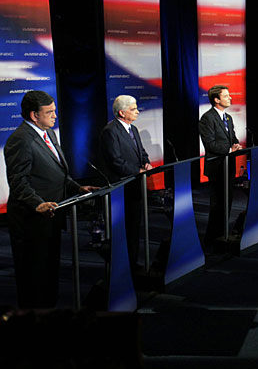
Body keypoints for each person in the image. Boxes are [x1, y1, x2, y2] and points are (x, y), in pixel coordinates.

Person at [4, 90, 96, 308]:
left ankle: (49, 312)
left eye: (54, 111)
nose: (55, 116)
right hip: (31, 220)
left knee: (49, 271)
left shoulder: (49, 134)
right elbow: (18, 181)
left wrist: (77, 188)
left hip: (53, 214)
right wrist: (37, 203)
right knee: (33, 276)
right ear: (34, 115)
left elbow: (58, 173)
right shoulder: (20, 140)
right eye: (49, 112)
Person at [100, 95, 153, 270]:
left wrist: (146, 163)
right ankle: (122, 266)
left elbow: (141, 152)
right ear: (122, 113)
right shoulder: (110, 131)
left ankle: (132, 263)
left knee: (134, 227)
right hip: (121, 187)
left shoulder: (134, 129)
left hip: (135, 186)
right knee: (123, 228)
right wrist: (137, 171)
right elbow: (115, 161)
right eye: (133, 109)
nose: (137, 111)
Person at [198, 85, 242, 244]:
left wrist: (236, 145)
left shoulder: (228, 117)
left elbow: (233, 137)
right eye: (226, 96)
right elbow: (210, 144)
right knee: (217, 203)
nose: (230, 98)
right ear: (216, 100)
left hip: (228, 166)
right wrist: (229, 150)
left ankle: (223, 233)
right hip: (216, 167)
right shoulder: (207, 118)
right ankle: (213, 238)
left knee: (227, 201)